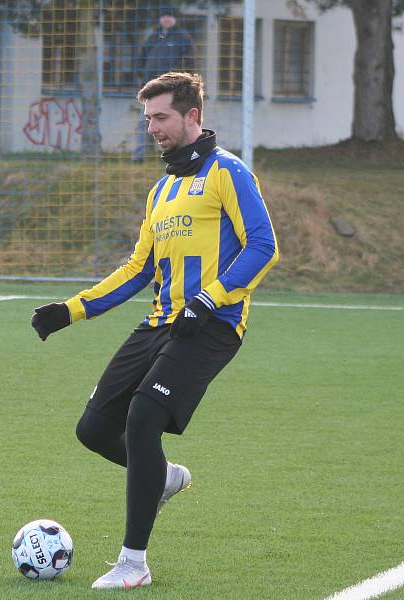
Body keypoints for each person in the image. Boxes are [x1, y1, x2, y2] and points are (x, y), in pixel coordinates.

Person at [31, 72, 279, 589]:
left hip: (213, 324)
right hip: (160, 323)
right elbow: (138, 269)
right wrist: (70, 310)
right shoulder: (162, 189)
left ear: (192, 116)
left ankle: (132, 563)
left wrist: (210, 299)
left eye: (161, 117)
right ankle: (163, 477)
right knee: (94, 430)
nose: (152, 128)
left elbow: (262, 245)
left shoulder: (228, 172)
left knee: (143, 416)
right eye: (147, 119)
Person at [132, 7, 194, 161]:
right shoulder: (153, 37)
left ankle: (172, 156)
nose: (166, 19)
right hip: (151, 89)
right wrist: (142, 78)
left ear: (175, 19)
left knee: (171, 122)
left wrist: (182, 84)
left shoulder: (182, 37)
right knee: (144, 122)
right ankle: (139, 157)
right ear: (160, 19)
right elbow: (141, 59)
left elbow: (190, 62)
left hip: (172, 90)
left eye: (170, 16)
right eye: (164, 16)